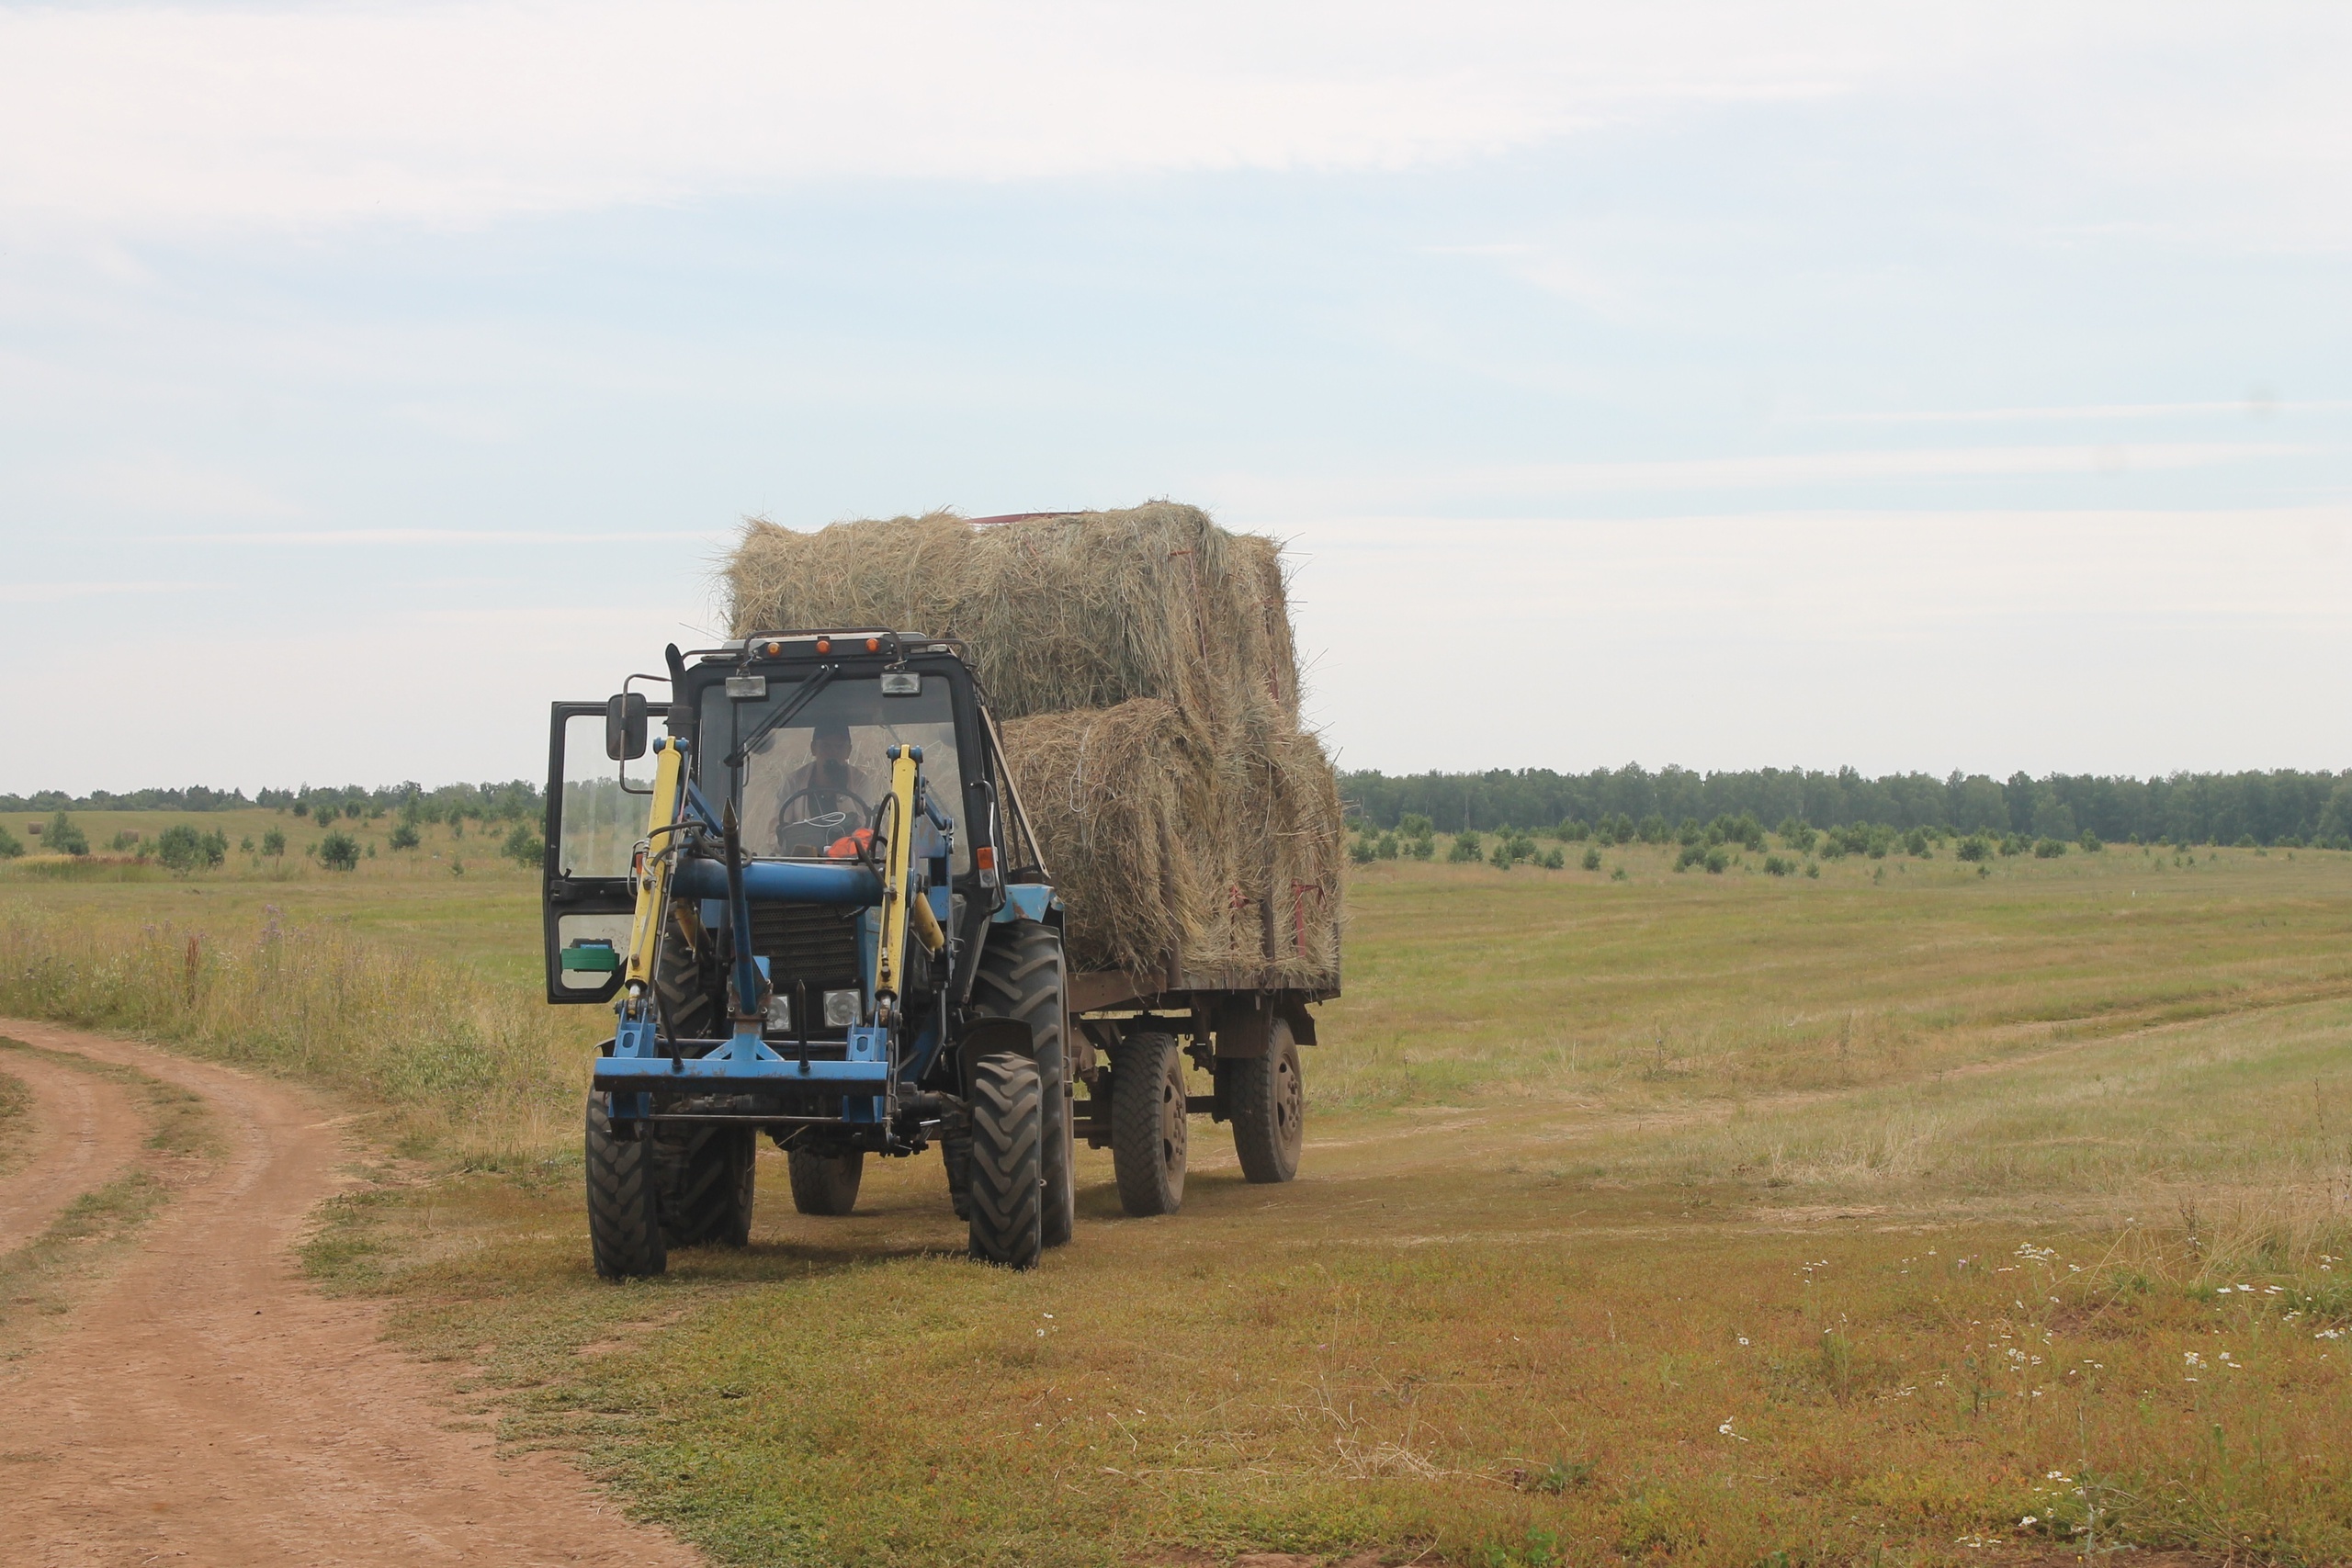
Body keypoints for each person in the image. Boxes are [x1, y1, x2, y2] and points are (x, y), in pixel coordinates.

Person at [773, 721, 875, 850]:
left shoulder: (860, 781)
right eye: (826, 746)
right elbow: (774, 835)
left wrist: (843, 793)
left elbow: (866, 830)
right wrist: (785, 839)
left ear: (848, 751)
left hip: (848, 861)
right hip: (805, 863)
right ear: (813, 748)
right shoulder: (794, 782)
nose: (833, 753)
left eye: (839, 747)